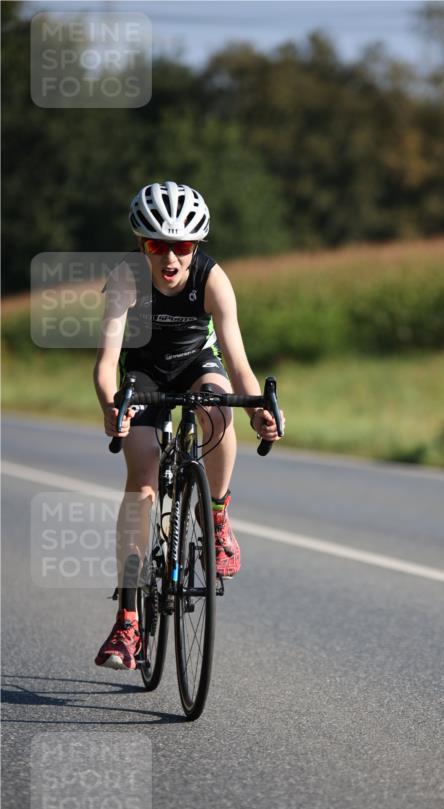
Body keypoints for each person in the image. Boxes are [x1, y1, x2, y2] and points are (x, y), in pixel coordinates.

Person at [93, 181, 283, 671]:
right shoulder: (126, 279)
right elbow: (106, 361)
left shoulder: (213, 278)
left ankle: (216, 516)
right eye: (159, 245)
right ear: (142, 245)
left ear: (195, 247)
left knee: (219, 410)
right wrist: (111, 406)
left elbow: (237, 360)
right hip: (143, 373)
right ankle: (128, 621)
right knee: (141, 486)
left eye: (182, 246)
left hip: (197, 362)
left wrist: (257, 407)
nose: (171, 257)